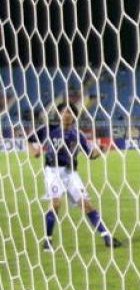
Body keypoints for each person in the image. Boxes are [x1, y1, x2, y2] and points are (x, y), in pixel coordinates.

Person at [28, 103, 123, 250]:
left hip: (71, 172)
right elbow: (30, 139)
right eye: (65, 112)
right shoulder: (49, 130)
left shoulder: (78, 135)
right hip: (52, 171)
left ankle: (107, 238)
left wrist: (103, 149)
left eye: (70, 113)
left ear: (74, 117)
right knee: (55, 203)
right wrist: (34, 151)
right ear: (59, 114)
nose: (67, 115)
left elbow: (90, 155)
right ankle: (47, 240)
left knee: (86, 204)